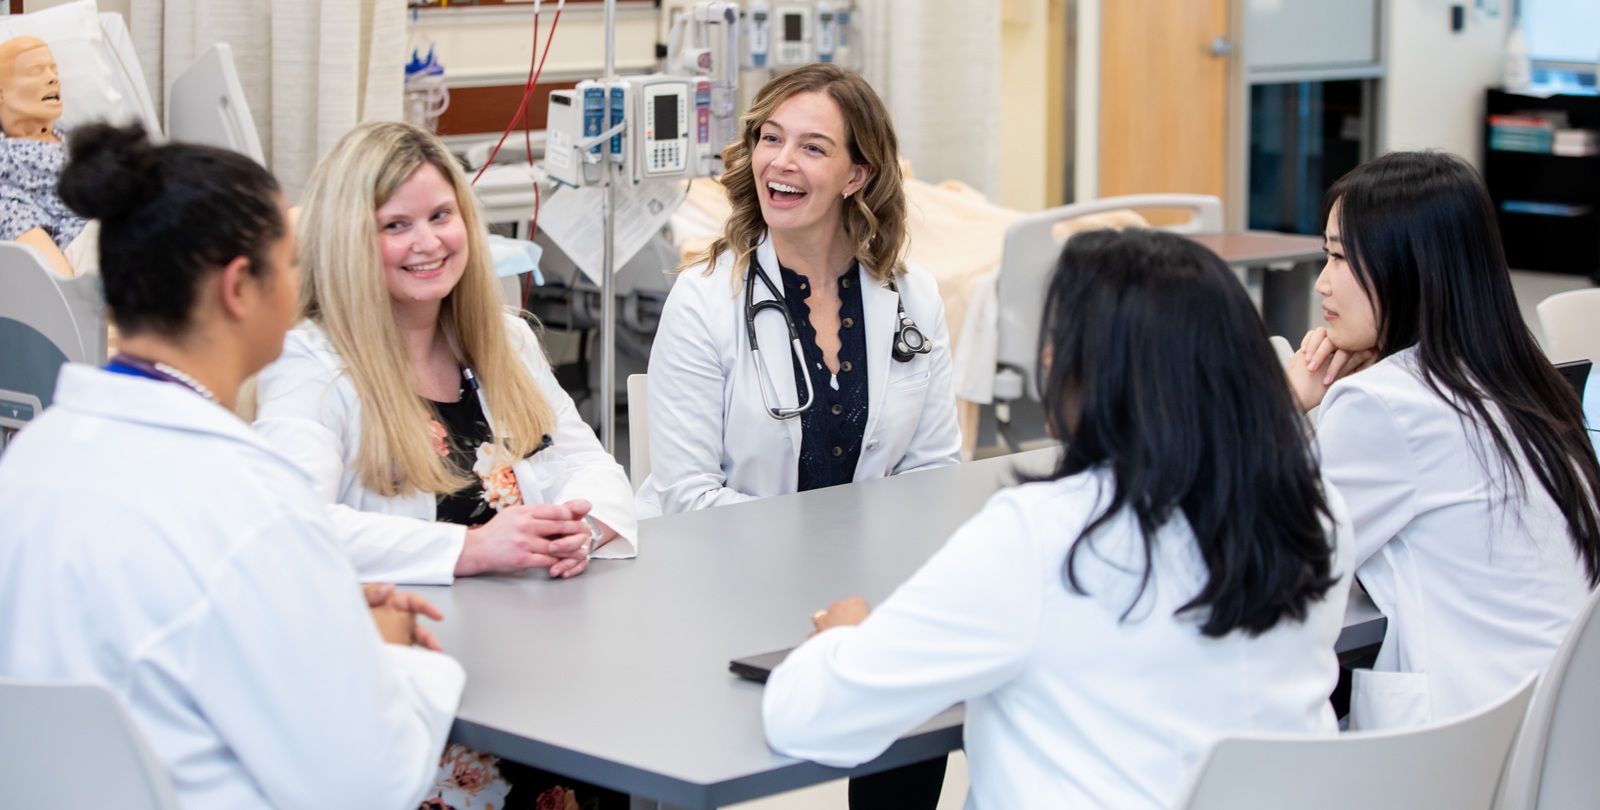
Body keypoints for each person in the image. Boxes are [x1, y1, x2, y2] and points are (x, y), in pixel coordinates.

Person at [763, 228, 1353, 809]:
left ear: (1098, 371)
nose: (1047, 357)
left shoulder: (1046, 535)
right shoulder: (1313, 507)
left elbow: (804, 718)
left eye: (1061, 339)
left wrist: (843, 640)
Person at [0, 122, 463, 808]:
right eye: (292, 263)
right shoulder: (246, 497)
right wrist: (388, 651)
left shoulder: (31, 460)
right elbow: (370, 781)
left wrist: (322, 622)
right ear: (240, 286)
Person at [1287, 150, 1600, 730]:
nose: (1323, 283)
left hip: (1469, 746)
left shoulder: (1384, 402)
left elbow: (1277, 557)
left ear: (1410, 266)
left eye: (1339, 257)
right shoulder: (1524, 380)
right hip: (1566, 739)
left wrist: (1285, 402)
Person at [252, 121, 637, 587]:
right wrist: (472, 549)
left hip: (529, 612)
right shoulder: (309, 365)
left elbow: (588, 464)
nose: (429, 243)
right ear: (346, 242)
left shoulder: (506, 339)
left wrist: (579, 532)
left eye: (440, 216)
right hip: (402, 621)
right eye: (396, 225)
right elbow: (291, 522)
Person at [638, 62, 962, 518]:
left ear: (856, 176)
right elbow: (690, 496)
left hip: (876, 556)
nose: (781, 161)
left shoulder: (915, 296)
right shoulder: (703, 299)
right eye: (771, 138)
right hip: (730, 554)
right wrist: (829, 543)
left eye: (812, 147)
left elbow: (934, 469)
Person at [0, 35, 87, 276]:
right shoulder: (6, 159)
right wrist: (66, 287)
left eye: (53, 70)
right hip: (81, 247)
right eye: (35, 71)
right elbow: (17, 220)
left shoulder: (82, 140)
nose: (52, 78)